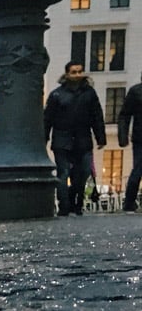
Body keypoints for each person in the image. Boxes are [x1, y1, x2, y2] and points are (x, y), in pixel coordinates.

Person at [44, 60, 106, 216]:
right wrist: (44, 138)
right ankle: (65, 207)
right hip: (62, 140)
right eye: (74, 72)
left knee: (83, 173)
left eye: (80, 71)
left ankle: (74, 201)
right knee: (63, 174)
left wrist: (100, 138)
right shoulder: (57, 94)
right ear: (67, 74)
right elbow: (47, 119)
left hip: (82, 139)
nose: (78, 75)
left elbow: (97, 116)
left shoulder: (89, 93)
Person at [119, 71, 142, 213]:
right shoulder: (136, 92)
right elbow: (125, 115)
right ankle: (129, 203)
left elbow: (124, 115)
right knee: (137, 170)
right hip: (140, 136)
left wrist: (123, 136)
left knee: (137, 170)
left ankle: (129, 203)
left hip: (139, 136)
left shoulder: (136, 91)